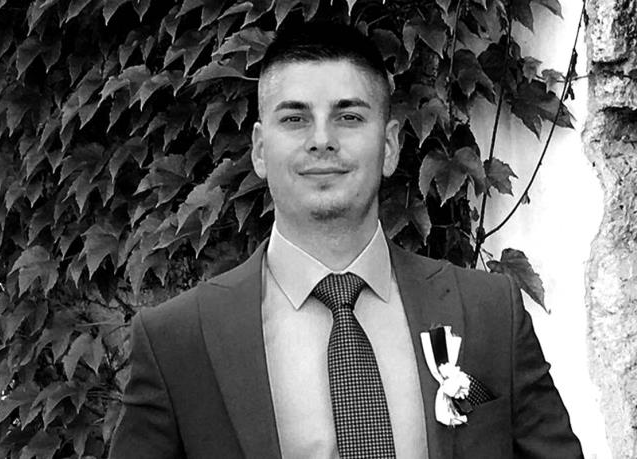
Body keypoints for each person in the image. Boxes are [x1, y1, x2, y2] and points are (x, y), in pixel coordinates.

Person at [109, 21, 583, 459]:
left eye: (349, 117)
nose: (322, 139)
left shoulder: (490, 313)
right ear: (258, 149)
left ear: (390, 146)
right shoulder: (177, 342)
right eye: (294, 119)